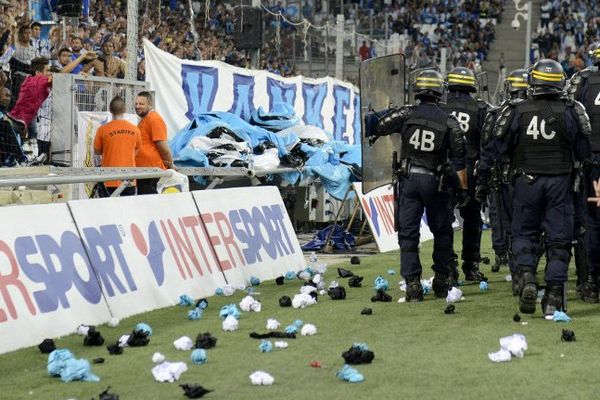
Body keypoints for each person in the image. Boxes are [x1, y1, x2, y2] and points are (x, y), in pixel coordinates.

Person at [478, 59, 591, 316]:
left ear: (534, 81)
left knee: (523, 234)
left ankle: (527, 276)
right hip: (561, 183)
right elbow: (584, 153)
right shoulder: (572, 110)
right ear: (560, 82)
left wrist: (484, 181)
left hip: (526, 181)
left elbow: (496, 148)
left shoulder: (517, 110)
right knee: (559, 240)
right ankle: (553, 297)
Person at [367, 69, 468, 302]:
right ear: (439, 92)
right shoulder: (449, 121)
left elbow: (378, 126)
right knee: (442, 232)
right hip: (437, 184)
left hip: (409, 181)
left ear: (417, 90)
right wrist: (462, 190)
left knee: (408, 234)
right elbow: (460, 161)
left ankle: (412, 284)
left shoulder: (406, 114)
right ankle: (441, 279)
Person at [476, 69, 528, 294]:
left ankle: (516, 269)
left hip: (504, 178)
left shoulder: (498, 113)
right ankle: (528, 269)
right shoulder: (539, 109)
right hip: (532, 179)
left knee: (507, 225)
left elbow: (487, 150)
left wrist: (482, 181)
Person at [442, 66, 489, 283]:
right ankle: (471, 266)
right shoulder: (480, 108)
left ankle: (448, 266)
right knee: (472, 218)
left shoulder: (441, 107)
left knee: (444, 219)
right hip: (471, 169)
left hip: (444, 169)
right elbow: (487, 141)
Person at [567, 42, 600, 303]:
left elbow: (569, 122)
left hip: (592, 166)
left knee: (590, 223)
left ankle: (589, 281)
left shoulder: (581, 81)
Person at [93, 95, 142, 197]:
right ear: (124, 110)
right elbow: (138, 149)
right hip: (129, 178)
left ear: (110, 110)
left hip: (109, 178)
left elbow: (97, 151)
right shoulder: (135, 129)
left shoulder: (102, 130)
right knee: (128, 209)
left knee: (108, 210)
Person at [134, 91, 175, 194]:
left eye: (141, 104)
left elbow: (163, 147)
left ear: (150, 105)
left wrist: (171, 165)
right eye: (136, 103)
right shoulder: (145, 119)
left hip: (151, 173)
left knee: (149, 205)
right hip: (145, 172)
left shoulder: (154, 119)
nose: (138, 106)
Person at [8, 57, 52, 140]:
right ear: (38, 72)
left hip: (17, 120)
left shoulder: (28, 79)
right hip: (17, 123)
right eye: (47, 71)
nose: (49, 73)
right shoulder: (39, 79)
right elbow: (57, 77)